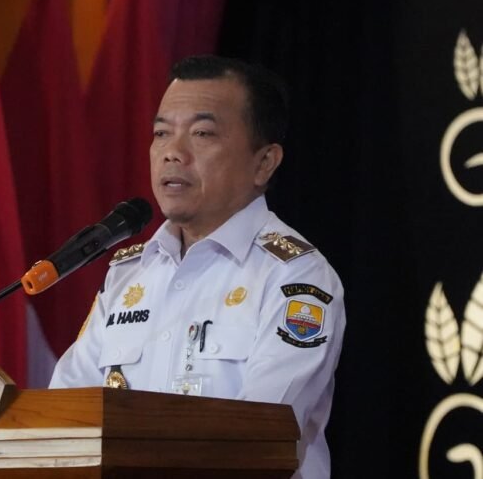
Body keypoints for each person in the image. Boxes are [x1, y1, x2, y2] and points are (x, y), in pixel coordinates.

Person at [49, 55, 346, 479]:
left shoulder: (295, 277)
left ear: (264, 162)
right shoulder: (129, 273)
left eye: (202, 133)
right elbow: (62, 415)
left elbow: (258, 438)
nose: (173, 152)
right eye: (161, 133)